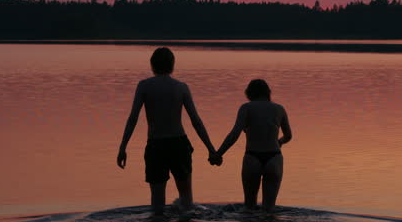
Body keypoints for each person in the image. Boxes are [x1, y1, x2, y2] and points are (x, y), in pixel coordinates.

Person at [118, 47, 219, 212]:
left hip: (156, 145)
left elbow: (132, 119)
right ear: (172, 64)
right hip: (179, 144)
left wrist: (123, 147)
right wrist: (211, 149)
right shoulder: (181, 87)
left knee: (157, 205)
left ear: (152, 65)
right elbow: (196, 121)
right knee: (187, 202)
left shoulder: (144, 86)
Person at [214, 79, 292, 210]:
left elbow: (234, 134)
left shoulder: (246, 108)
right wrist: (280, 141)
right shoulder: (279, 109)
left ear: (249, 93)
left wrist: (219, 154)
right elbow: (289, 135)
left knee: (249, 208)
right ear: (268, 93)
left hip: (252, 157)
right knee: (269, 209)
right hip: (274, 157)